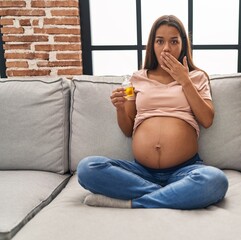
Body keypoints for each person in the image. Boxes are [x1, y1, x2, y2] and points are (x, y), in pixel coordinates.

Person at [77, 15, 228, 209]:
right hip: (140, 172)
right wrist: (120, 108)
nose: (166, 48)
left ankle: (134, 202)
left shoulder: (196, 77)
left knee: (215, 180)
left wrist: (184, 81)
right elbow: (127, 129)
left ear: (183, 45)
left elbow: (207, 119)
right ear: (152, 45)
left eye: (174, 41)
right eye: (160, 41)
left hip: (185, 170)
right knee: (87, 168)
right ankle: (176, 194)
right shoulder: (137, 78)